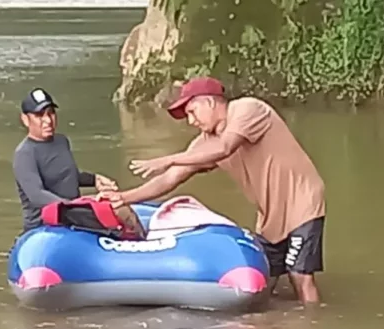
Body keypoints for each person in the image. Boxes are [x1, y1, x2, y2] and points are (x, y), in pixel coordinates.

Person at [97, 77, 327, 304]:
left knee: (300, 275)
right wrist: (123, 197)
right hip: (270, 216)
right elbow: (171, 178)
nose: (190, 121)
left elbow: (225, 148)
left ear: (209, 102)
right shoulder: (205, 143)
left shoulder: (247, 109)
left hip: (302, 201)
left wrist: (168, 158)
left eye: (192, 111)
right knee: (267, 279)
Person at [12, 87, 144, 237]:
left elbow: (67, 175)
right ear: (25, 119)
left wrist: (95, 180)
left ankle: (142, 243)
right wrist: (74, 205)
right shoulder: (24, 154)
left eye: (51, 113)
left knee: (118, 203)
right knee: (113, 212)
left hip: (72, 211)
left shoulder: (61, 141)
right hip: (46, 220)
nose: (48, 120)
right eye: (39, 115)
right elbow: (37, 195)